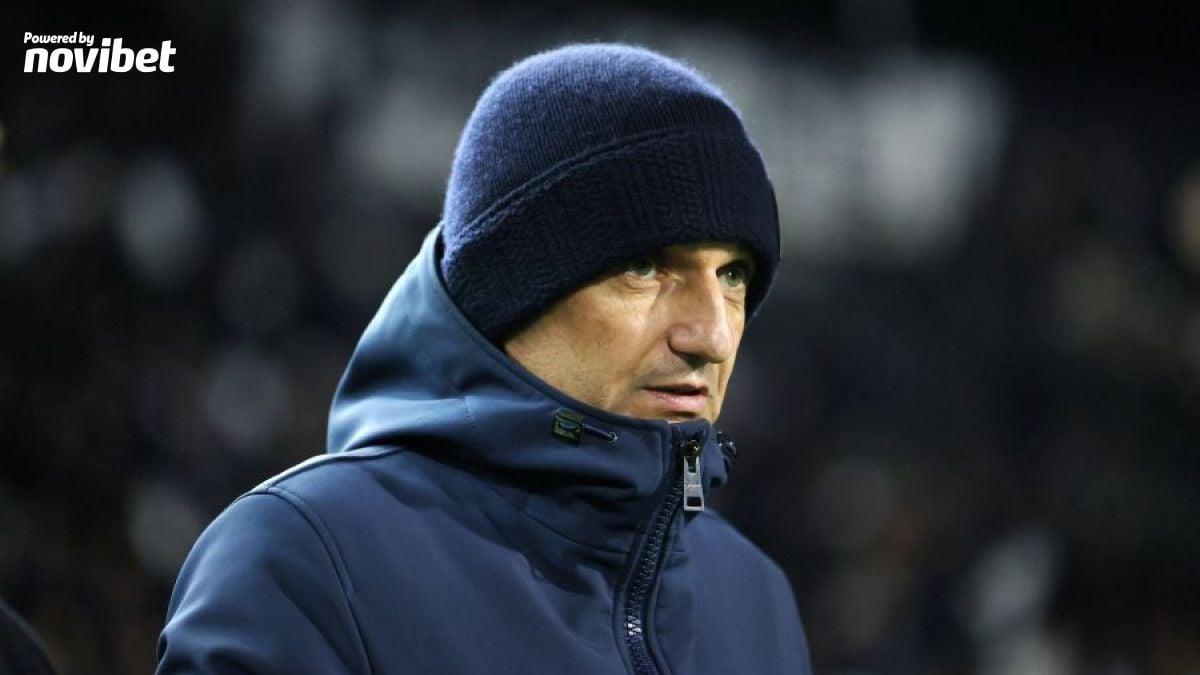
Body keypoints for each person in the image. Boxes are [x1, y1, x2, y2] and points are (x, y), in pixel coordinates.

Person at [156, 43, 812, 674]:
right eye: (644, 268)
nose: (711, 336)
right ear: (511, 293)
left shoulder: (757, 598)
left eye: (732, 275)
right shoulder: (305, 561)